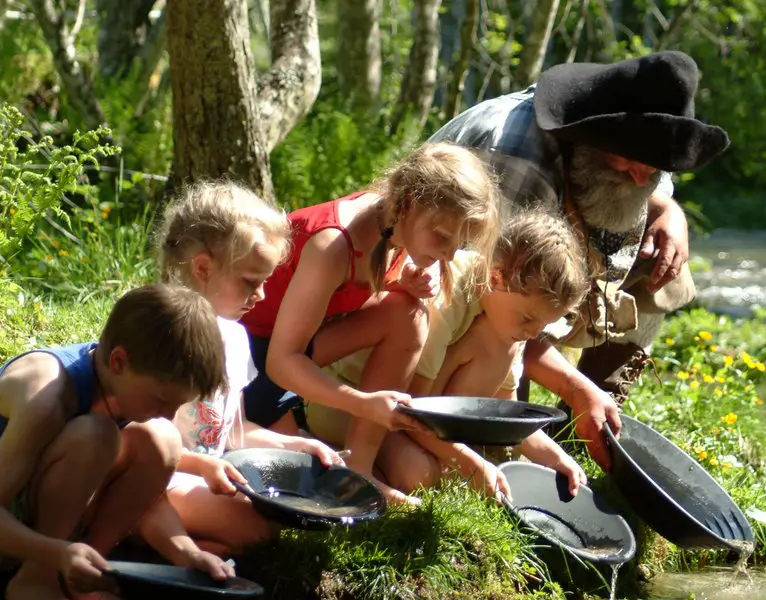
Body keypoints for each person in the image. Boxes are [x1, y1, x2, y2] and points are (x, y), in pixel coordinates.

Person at [429, 50, 730, 470]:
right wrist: (572, 384)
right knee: (500, 333)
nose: (643, 178)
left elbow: (652, 179)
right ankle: (496, 431)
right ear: (591, 137)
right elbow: (490, 302)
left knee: (665, 262)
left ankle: (587, 424)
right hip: (447, 299)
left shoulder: (636, 147)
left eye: (655, 167)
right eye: (630, 163)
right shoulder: (518, 160)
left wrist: (670, 214)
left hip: (521, 272)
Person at [0, 284, 229, 600]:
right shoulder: (47, 397)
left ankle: (86, 572)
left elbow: (149, 490)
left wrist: (186, 553)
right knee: (95, 436)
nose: (168, 414)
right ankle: (37, 580)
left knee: (163, 440)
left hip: (32, 512)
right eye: (162, 400)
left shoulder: (125, 382)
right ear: (118, 361)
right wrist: (58, 553)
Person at [238, 142, 501, 504]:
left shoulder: (393, 225)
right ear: (407, 202)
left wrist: (397, 283)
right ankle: (333, 467)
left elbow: (344, 295)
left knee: (409, 313)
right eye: (442, 237)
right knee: (293, 474)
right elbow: (281, 362)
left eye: (460, 242)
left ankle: (358, 469)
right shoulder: (332, 246)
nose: (450, 254)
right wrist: (361, 403)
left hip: (286, 352)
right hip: (244, 361)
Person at [132, 181, 345, 557]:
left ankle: (179, 551)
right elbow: (131, 438)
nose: (261, 295)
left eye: (264, 282)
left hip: (204, 480)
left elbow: (234, 430)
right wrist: (201, 467)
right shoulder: (159, 336)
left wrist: (294, 445)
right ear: (202, 268)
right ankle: (146, 540)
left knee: (267, 525)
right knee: (256, 529)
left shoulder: (233, 337)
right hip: (153, 482)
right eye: (250, 281)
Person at [320, 209, 591, 499]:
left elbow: (504, 410)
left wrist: (555, 458)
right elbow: (415, 409)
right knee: (419, 475)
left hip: (408, 416)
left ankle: (423, 458)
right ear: (496, 278)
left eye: (543, 325)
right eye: (527, 319)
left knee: (436, 471)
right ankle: (348, 463)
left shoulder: (510, 320)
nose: (534, 333)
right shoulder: (445, 295)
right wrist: (468, 462)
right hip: (351, 404)